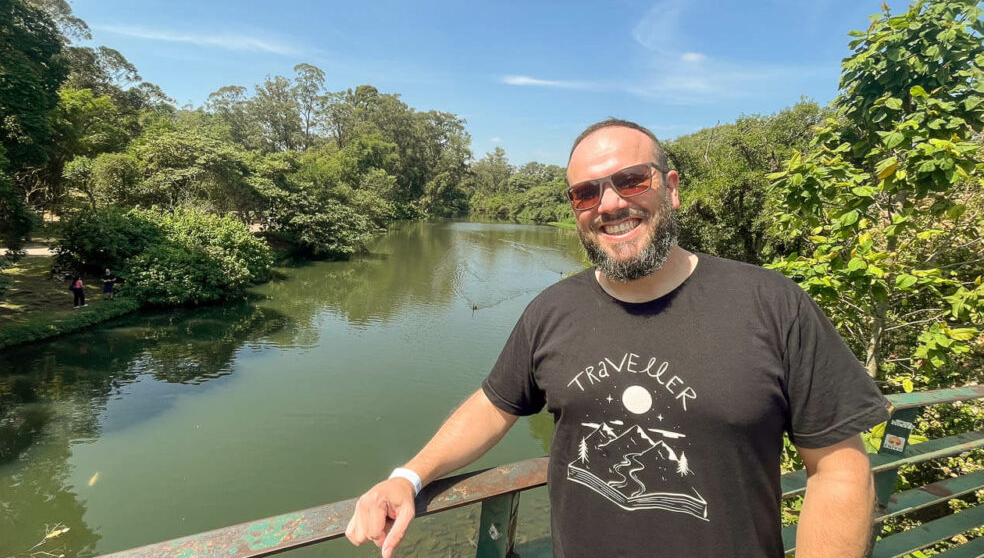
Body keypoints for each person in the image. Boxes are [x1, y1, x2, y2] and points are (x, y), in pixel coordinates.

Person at [345, 119, 891, 558]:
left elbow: (840, 469)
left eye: (631, 180)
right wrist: (408, 476)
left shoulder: (771, 304)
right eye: (586, 194)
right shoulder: (553, 311)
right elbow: (495, 404)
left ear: (671, 188)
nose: (608, 204)